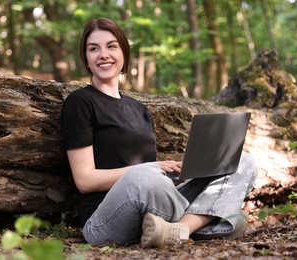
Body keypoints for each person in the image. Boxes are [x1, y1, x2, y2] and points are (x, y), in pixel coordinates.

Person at [61, 17, 257, 248]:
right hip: (104, 221)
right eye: (94, 48)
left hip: (151, 208)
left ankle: (179, 229)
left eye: (111, 46)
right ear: (86, 58)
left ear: (123, 53)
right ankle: (210, 222)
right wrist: (149, 169)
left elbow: (153, 180)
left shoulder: (139, 109)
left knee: (241, 161)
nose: (103, 54)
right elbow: (85, 181)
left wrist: (184, 169)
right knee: (143, 177)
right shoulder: (80, 103)